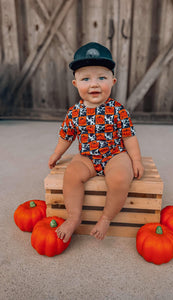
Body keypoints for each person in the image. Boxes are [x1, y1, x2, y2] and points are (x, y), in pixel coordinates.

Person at [48, 42, 144, 242]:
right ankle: (74, 217)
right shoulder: (75, 113)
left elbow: (129, 136)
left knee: (120, 178)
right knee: (72, 175)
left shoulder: (118, 110)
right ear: (76, 84)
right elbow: (66, 135)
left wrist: (136, 160)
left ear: (113, 81)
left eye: (102, 77)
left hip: (115, 154)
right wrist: (57, 154)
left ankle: (106, 218)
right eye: (86, 78)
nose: (94, 84)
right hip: (87, 157)